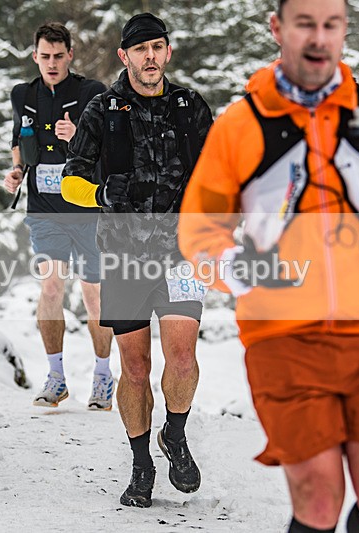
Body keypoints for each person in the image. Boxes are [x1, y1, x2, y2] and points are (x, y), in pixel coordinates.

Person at [178, 1, 359, 531]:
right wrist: (238, 266)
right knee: (318, 497)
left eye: (331, 24)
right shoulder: (240, 125)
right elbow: (198, 232)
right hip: (283, 340)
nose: (319, 38)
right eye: (305, 24)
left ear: (344, 30)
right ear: (278, 29)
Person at [61, 13, 213, 508]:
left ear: (168, 53)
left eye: (158, 47)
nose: (150, 56)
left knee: (183, 357)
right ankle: (141, 460)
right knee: (134, 366)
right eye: (140, 49)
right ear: (124, 56)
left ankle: (176, 432)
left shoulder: (191, 108)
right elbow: (71, 180)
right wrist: (103, 191)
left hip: (181, 253)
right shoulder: (102, 111)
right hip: (124, 253)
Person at [3, 23, 115, 410]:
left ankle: (103, 377)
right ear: (34, 56)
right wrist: (16, 171)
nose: (51, 63)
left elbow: (110, 149)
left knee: (93, 294)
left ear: (70, 55)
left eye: (58, 56)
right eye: (44, 56)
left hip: (85, 210)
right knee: (51, 287)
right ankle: (56, 377)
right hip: (44, 209)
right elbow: (19, 140)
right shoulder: (23, 95)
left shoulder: (91, 93)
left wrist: (77, 136)